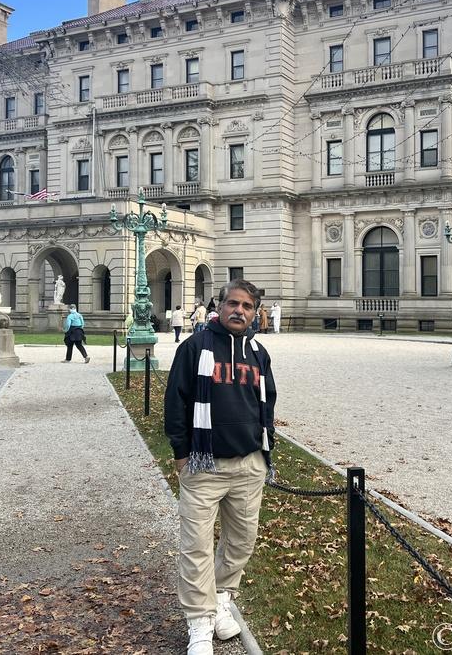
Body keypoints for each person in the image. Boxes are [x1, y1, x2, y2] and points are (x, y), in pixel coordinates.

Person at [164, 279, 277, 655]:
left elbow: (268, 402)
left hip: (248, 465)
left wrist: (264, 451)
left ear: (254, 311)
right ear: (220, 306)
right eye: (233, 303)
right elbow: (175, 403)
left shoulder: (258, 353)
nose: (238, 311)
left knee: (240, 543)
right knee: (195, 546)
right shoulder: (194, 347)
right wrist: (182, 455)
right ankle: (199, 622)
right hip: (203, 464)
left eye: (246, 306)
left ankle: (223, 600)